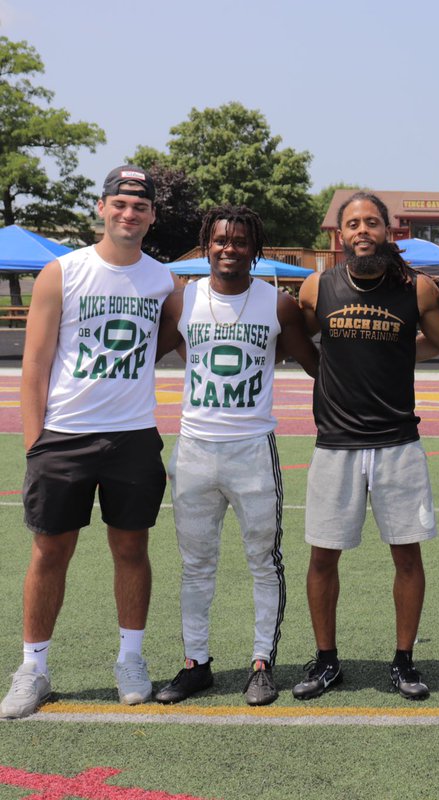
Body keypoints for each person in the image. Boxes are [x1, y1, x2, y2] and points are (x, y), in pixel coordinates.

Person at [2, 166, 177, 719]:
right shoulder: (62, 271)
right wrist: (37, 445)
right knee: (51, 549)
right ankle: (33, 667)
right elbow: (34, 365)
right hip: (64, 436)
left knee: (131, 548)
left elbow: (165, 341)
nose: (129, 213)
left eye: (140, 206)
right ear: (101, 207)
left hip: (132, 436)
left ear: (151, 216)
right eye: (120, 203)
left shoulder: (164, 281)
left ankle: (130, 657)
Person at [293, 192, 439, 701]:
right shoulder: (315, 287)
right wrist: (325, 373)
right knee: (323, 558)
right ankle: (326, 661)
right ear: (340, 235)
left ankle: (404, 661)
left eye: (372, 222)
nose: (362, 230)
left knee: (407, 557)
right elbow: (303, 342)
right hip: (336, 444)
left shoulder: (416, 290)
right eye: (353, 223)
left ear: (387, 230)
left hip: (397, 443)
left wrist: (410, 343)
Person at [152, 206, 318, 706]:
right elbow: (159, 352)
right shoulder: (183, 301)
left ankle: (262, 662)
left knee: (263, 563)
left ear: (255, 247)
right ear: (207, 245)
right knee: (195, 564)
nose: (230, 248)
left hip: (253, 449)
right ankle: (195, 663)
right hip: (196, 449)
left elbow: (316, 366)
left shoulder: (279, 305)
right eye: (221, 240)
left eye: (240, 240)